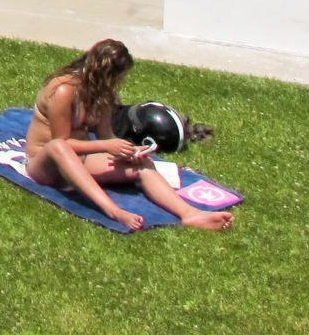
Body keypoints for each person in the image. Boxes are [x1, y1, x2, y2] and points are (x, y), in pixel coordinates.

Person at [25, 38, 233, 232]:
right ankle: (113, 210)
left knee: (141, 164)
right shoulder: (63, 91)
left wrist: (128, 150)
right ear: (107, 75)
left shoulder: (104, 93)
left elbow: (106, 135)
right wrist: (107, 147)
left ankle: (190, 214)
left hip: (81, 160)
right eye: (120, 77)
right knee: (58, 147)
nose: (121, 83)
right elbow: (63, 142)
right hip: (45, 164)